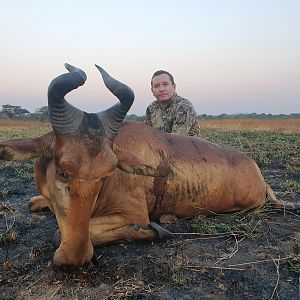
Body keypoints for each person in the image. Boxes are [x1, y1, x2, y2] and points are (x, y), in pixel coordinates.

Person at [144, 70, 200, 136]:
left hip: (184, 145)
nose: (161, 89)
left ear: (174, 87)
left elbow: (177, 140)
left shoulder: (183, 106)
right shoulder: (151, 108)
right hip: (158, 145)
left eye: (165, 84)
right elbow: (146, 135)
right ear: (152, 91)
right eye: (156, 86)